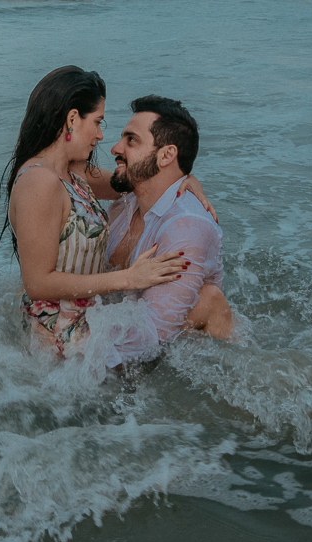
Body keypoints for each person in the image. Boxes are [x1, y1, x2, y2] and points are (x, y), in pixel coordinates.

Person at [1, 66, 218, 356]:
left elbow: (135, 180)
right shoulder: (40, 181)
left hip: (86, 313)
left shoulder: (71, 172)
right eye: (98, 121)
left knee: (204, 305)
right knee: (211, 303)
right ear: (72, 119)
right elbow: (38, 283)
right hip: (59, 332)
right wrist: (130, 278)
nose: (102, 136)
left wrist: (184, 178)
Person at [102, 95, 233, 366]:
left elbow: (153, 336)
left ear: (166, 155)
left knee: (208, 299)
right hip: (125, 346)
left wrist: (71, 351)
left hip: (174, 368)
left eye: (131, 140)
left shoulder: (188, 227)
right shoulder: (123, 207)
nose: (115, 148)